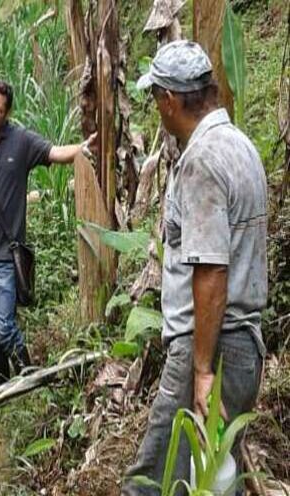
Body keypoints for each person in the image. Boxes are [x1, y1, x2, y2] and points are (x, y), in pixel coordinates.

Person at [122, 40, 267, 495]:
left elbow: (210, 272)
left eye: (155, 98)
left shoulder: (202, 161)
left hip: (210, 350)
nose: (156, 110)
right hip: (243, 347)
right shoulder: (241, 146)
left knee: (152, 482)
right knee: (212, 481)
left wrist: (202, 371)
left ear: (169, 100)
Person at [0, 80, 93, 387]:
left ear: (7, 112)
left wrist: (83, 149)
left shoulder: (22, 141)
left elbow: (56, 153)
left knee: (4, 328)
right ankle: (0, 385)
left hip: (7, 257)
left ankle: (30, 377)